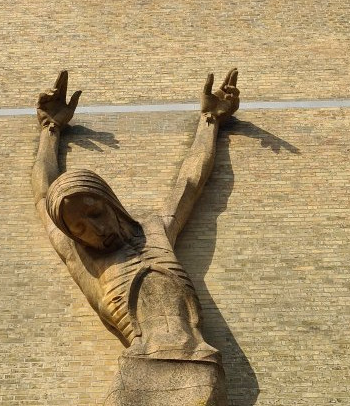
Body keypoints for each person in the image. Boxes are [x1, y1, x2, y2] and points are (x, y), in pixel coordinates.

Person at [31, 69, 240, 406]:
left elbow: (190, 179)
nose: (96, 232)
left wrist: (210, 120)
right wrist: (50, 130)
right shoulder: (85, 260)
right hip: (136, 372)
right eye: (80, 228)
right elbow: (43, 196)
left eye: (96, 214)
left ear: (112, 203)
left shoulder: (155, 230)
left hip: (198, 363)